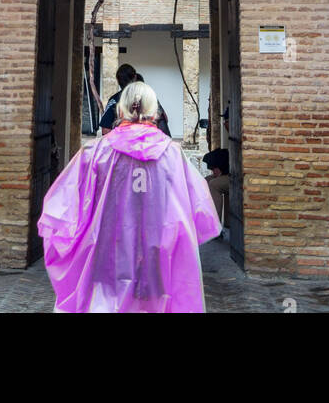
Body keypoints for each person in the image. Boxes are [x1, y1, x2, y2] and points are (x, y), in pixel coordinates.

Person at [38, 81, 221, 313]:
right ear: (155, 112)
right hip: (156, 251)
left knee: (105, 302)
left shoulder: (96, 152)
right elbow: (197, 207)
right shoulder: (172, 153)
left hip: (106, 248)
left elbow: (66, 204)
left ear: (121, 110)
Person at [99, 63, 171, 137]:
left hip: (123, 145)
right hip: (148, 144)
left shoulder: (114, 100)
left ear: (117, 80)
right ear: (135, 77)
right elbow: (164, 119)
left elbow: (105, 130)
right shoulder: (149, 97)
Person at [202, 147, 230, 227]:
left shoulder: (220, 160)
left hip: (232, 175)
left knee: (213, 184)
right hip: (225, 172)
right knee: (205, 180)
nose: (212, 171)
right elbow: (217, 173)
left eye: (213, 169)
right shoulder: (219, 158)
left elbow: (219, 174)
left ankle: (215, 226)